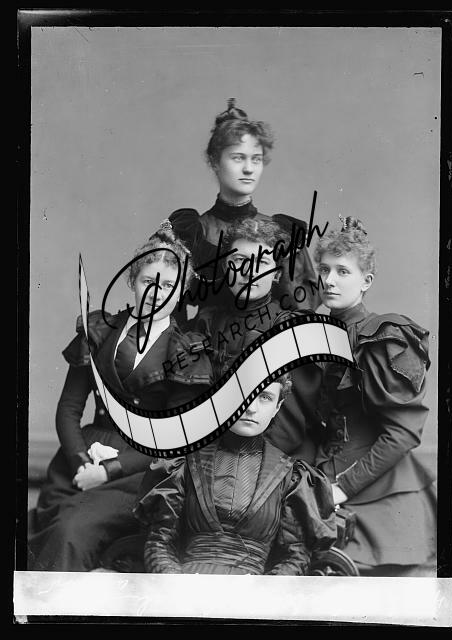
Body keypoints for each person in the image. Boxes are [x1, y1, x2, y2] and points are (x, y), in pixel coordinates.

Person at [28, 223, 213, 571]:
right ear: (132, 281)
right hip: (79, 460)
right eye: (148, 281)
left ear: (181, 293)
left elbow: (173, 438)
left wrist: (108, 471)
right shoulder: (100, 331)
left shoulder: (185, 350)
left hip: (141, 471)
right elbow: (69, 408)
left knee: (71, 531)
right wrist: (81, 462)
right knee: (41, 529)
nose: (157, 293)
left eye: (169, 286)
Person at [312, 216, 437, 577]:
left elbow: (403, 433)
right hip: (323, 471)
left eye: (343, 271)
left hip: (375, 489)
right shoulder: (314, 334)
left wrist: (343, 488)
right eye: (324, 269)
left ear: (366, 281)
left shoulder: (380, 338)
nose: (329, 280)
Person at [135, 375, 337, 575]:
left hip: (254, 594)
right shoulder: (183, 464)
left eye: (265, 397)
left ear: (277, 406)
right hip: (185, 589)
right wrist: (179, 586)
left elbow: (295, 557)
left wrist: (259, 593)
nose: (251, 408)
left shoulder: (291, 477)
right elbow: (159, 543)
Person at [168, 98, 321, 328]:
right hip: (204, 343)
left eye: (256, 159)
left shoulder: (282, 233)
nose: (249, 169)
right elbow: (167, 307)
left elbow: (301, 307)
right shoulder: (192, 231)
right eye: (238, 158)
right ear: (215, 162)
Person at [195, 217, 322, 463]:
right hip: (211, 451)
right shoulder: (208, 323)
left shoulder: (289, 329)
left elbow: (290, 426)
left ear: (276, 274)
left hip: (269, 458)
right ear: (226, 268)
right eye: (239, 260)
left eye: (261, 262)